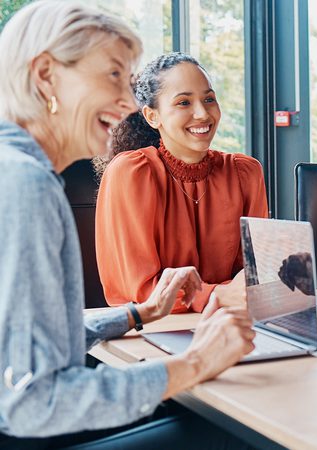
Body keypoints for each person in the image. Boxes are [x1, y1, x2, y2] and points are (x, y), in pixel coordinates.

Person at [0, 2, 256, 447]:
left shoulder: (19, 170)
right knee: (245, 434)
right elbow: (30, 403)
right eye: (113, 75)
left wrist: (137, 314)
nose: (127, 102)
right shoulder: (25, 183)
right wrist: (197, 362)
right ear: (46, 76)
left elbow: (24, 345)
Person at [95, 52, 269, 314]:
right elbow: (142, 291)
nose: (202, 113)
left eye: (209, 99)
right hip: (151, 330)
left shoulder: (245, 172)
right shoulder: (132, 172)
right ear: (153, 116)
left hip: (229, 321)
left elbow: (256, 274)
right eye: (184, 102)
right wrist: (220, 294)